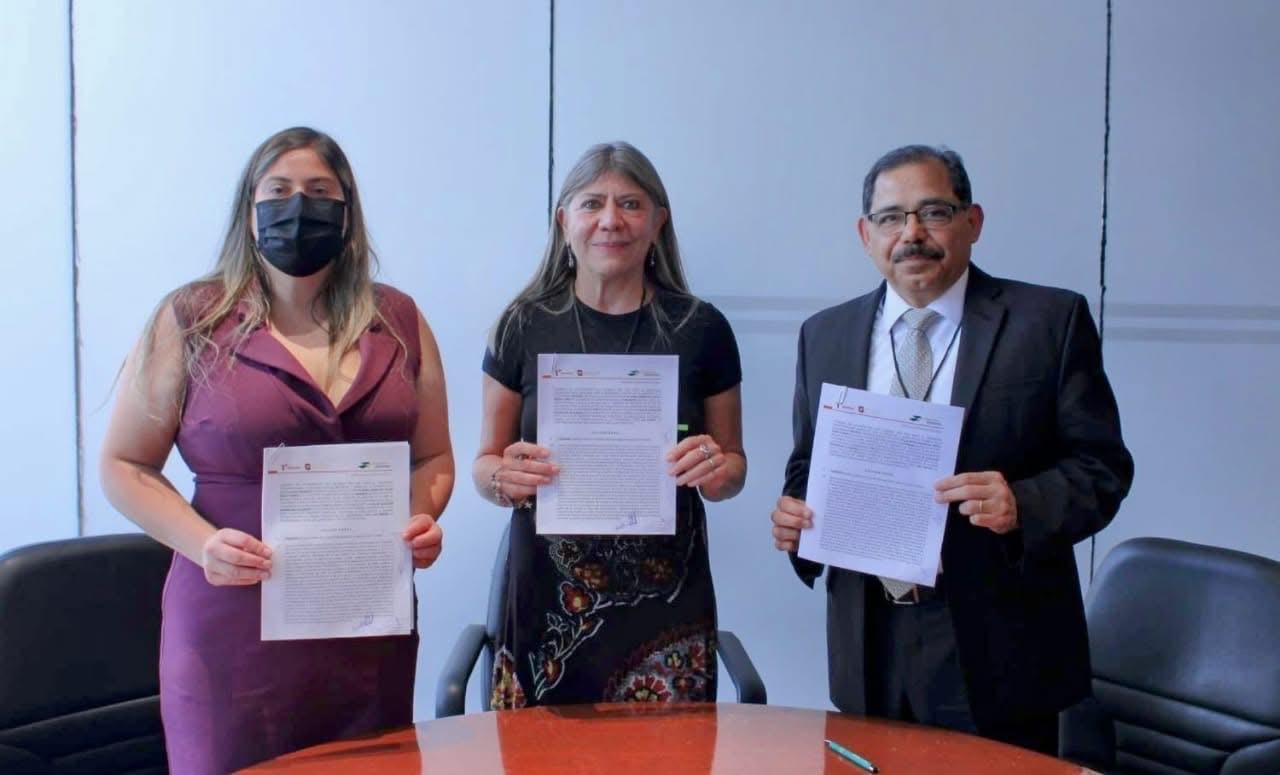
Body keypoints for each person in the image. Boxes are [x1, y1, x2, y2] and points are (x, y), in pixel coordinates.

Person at [100, 126, 454, 773]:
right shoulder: (192, 319)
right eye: (279, 191)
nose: (299, 207)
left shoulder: (399, 320)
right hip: (233, 629)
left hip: (365, 624)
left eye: (319, 192)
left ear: (346, 213)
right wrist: (202, 543)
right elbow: (124, 465)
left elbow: (433, 457)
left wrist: (419, 518)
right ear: (249, 211)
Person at [770, 145, 1133, 754]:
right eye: (890, 217)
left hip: (1001, 646)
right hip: (870, 641)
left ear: (973, 221)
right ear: (865, 234)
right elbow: (808, 463)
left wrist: (1022, 503)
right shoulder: (825, 334)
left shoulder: (1048, 321)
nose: (911, 233)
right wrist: (796, 517)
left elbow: (1103, 468)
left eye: (934, 212)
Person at [475, 141, 747, 708]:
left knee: (669, 754)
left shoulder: (702, 328)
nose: (610, 220)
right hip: (548, 601)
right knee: (534, 753)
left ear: (658, 221)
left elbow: (733, 471)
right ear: (563, 221)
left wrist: (718, 471)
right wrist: (503, 478)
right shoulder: (521, 326)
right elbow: (485, 464)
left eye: (630, 204)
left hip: (667, 600)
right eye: (592, 203)